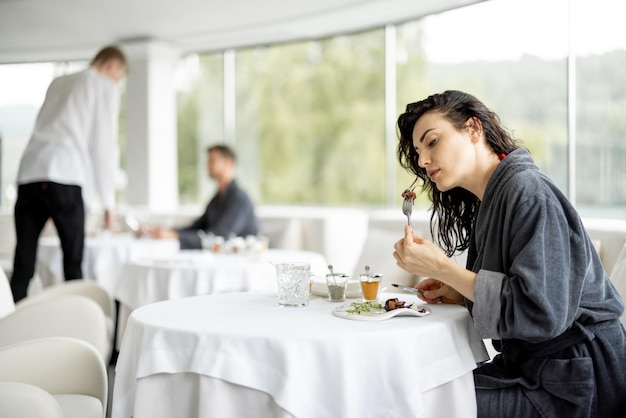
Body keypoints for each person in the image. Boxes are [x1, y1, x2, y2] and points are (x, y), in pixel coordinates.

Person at [392, 90, 626, 417]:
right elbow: (516, 288)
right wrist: (461, 293)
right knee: (404, 386)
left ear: (474, 129)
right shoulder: (493, 199)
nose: (422, 161)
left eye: (432, 142)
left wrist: (446, 269)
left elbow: (542, 310)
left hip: (574, 384)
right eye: (417, 152)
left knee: (408, 401)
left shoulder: (528, 191)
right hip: (538, 370)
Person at [10, 45, 127, 302]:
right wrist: (108, 202)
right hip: (64, 173)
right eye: (118, 76)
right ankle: (76, 330)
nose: (116, 80)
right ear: (112, 67)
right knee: (73, 264)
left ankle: (5, 328)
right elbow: (103, 144)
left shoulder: (58, 82)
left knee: (23, 265)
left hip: (30, 172)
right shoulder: (102, 86)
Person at [141, 144, 259, 249]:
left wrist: (174, 236)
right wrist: (165, 231)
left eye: (212, 161)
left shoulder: (239, 200)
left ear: (229, 162)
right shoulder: (217, 198)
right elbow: (198, 227)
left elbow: (218, 237)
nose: (207, 165)